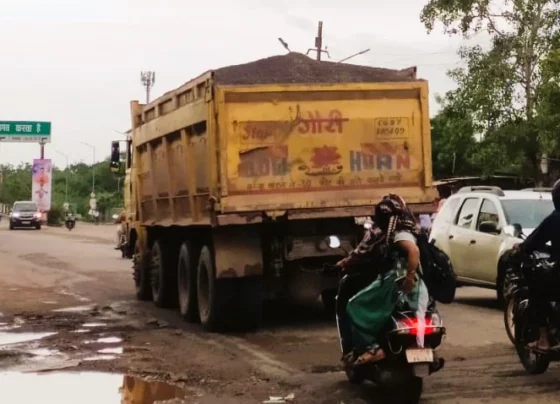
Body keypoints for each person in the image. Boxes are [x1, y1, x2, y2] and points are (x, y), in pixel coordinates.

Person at [336, 194, 428, 364]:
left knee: (355, 306)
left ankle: (373, 348)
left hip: (396, 283)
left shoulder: (396, 233)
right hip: (412, 285)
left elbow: (413, 251)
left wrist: (409, 277)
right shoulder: (412, 229)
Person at [513, 179, 560, 351]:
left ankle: (543, 338)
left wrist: (520, 248)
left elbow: (533, 241)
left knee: (537, 289)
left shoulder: (554, 219)